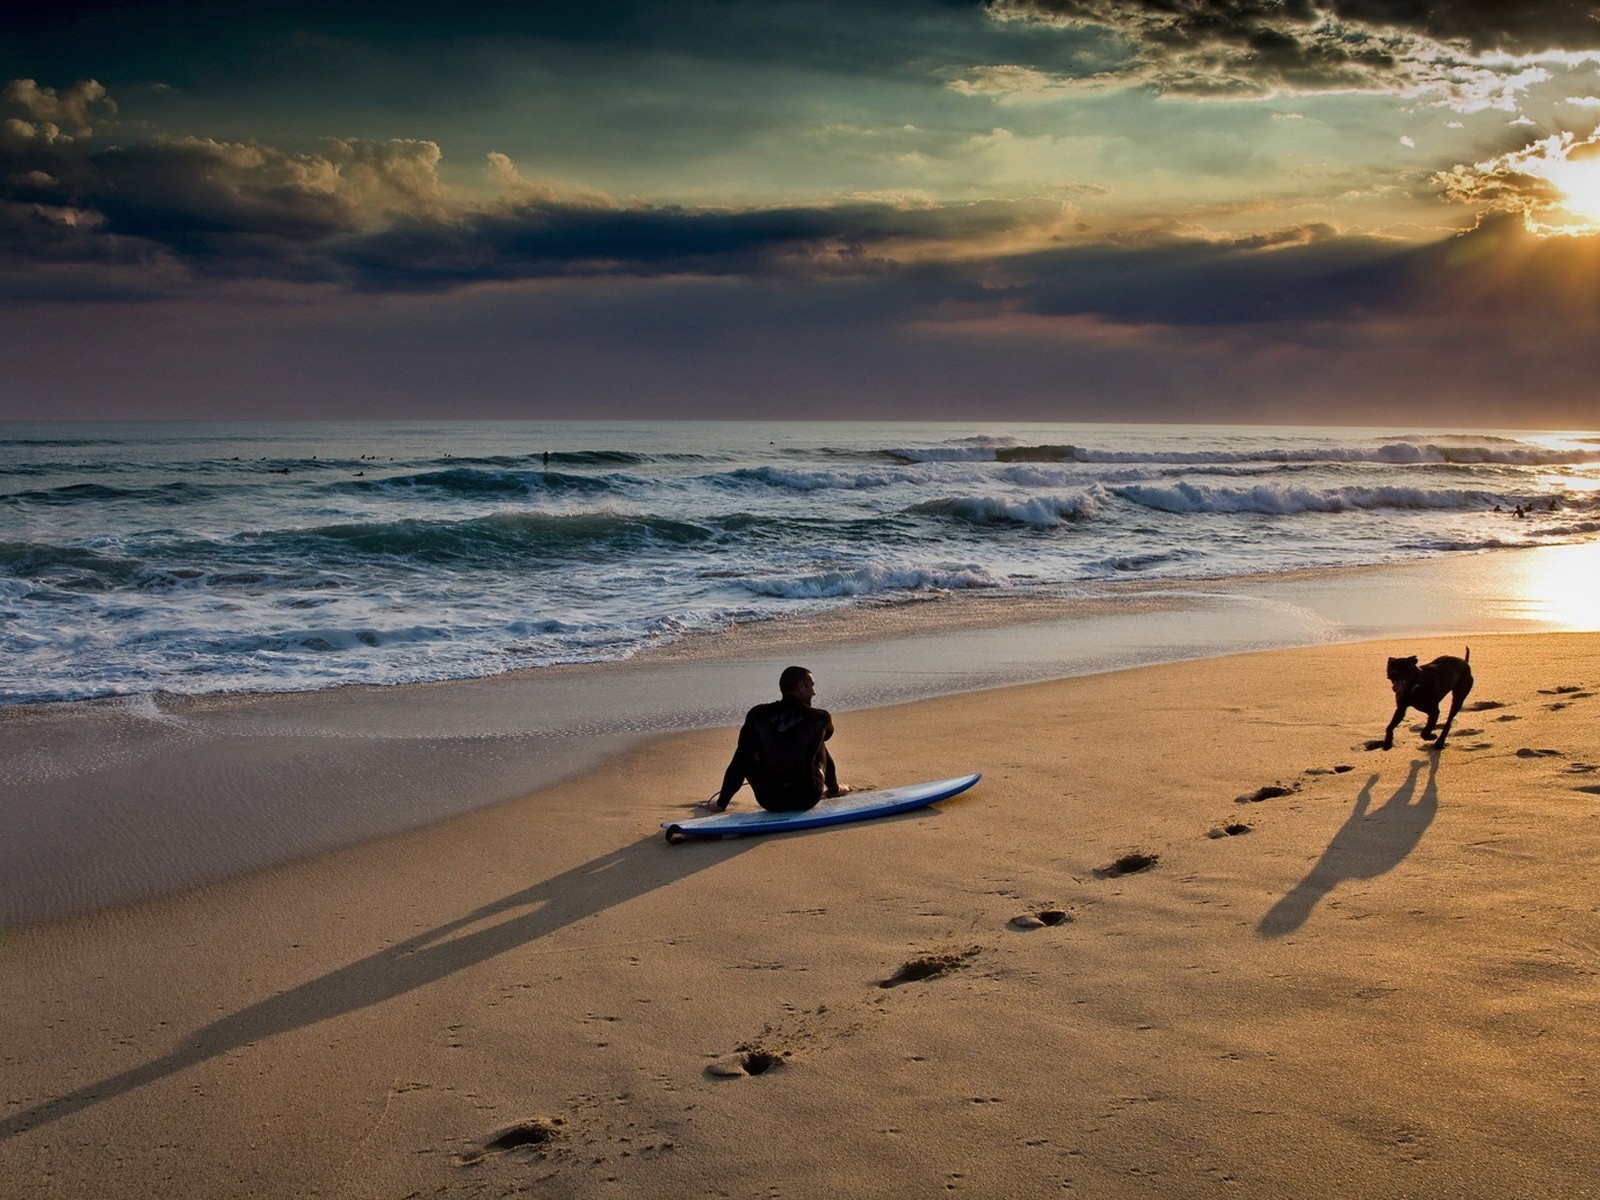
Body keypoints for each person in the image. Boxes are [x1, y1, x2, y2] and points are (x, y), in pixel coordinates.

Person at [706, 666, 849, 812]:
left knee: (744, 752)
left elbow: (740, 762)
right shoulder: (819, 718)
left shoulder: (757, 715)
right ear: (801, 686)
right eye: (811, 686)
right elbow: (828, 735)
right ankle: (834, 789)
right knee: (818, 740)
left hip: (770, 800)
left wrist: (722, 802)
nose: (814, 692)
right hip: (807, 796)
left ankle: (720, 805)